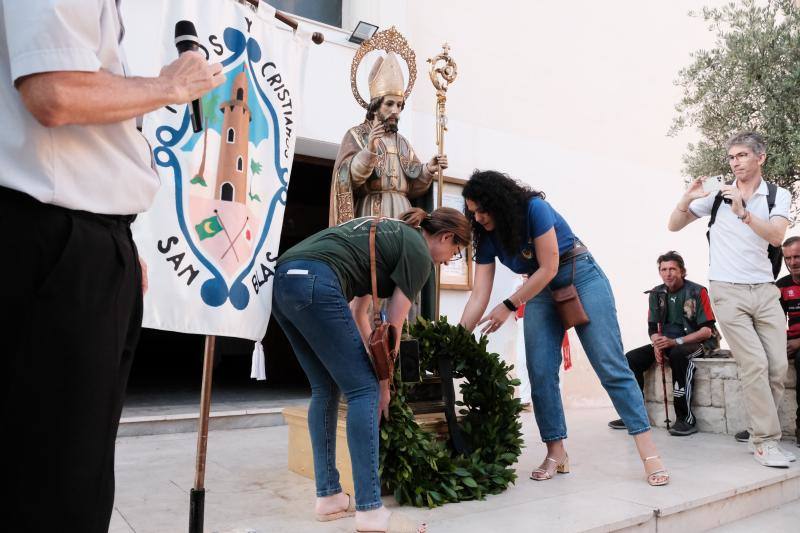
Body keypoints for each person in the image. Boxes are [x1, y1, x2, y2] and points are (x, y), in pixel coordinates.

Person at [0, 2, 224, 531]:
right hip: (57, 242)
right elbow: (54, 91)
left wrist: (116, 235)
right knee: (57, 487)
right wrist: (170, 85)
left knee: (74, 472)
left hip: (83, 237)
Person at [459, 170, 669, 486]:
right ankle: (556, 452)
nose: (478, 217)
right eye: (473, 212)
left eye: (483, 210)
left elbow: (550, 267)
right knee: (540, 371)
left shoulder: (534, 209)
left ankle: (649, 452)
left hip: (579, 274)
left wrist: (509, 305)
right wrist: (458, 336)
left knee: (609, 364)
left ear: (499, 202)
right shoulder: (486, 235)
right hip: (539, 288)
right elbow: (479, 294)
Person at [272, 208, 470, 533]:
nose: (448, 261)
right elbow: (393, 325)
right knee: (364, 390)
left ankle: (329, 497)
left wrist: (372, 362)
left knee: (325, 388)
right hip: (317, 282)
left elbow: (358, 313)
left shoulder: (387, 233)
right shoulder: (419, 252)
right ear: (446, 236)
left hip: (283, 282)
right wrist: (383, 383)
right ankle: (369, 509)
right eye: (455, 251)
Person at [668, 131, 793, 467]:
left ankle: (757, 432)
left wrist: (743, 212)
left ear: (760, 157)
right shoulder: (717, 195)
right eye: (732, 157)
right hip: (727, 290)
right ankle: (765, 441)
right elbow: (674, 225)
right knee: (755, 364)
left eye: (742, 155)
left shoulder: (777, 195)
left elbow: (777, 236)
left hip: (764, 290)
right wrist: (686, 198)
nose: (735, 162)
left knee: (777, 367)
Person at [608, 251, 718, 436]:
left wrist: (675, 342)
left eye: (672, 269)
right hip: (667, 341)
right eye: (664, 269)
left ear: (682, 271)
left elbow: (706, 331)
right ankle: (634, 416)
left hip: (697, 342)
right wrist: (657, 343)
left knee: (678, 355)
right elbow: (652, 328)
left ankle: (686, 419)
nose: (668, 273)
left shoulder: (698, 291)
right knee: (631, 358)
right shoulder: (656, 293)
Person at [329, 50, 444, 226]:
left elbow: (414, 186)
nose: (395, 111)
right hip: (371, 211)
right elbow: (346, 177)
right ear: (375, 107)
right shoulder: (357, 135)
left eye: (399, 105)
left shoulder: (402, 143)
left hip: (403, 212)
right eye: (389, 104)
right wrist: (369, 151)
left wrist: (428, 169)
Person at [777, 236, 800, 445]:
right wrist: (778, 345)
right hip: (789, 342)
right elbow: (774, 322)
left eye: (797, 256)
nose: (793, 262)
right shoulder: (781, 286)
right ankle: (760, 427)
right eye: (788, 258)